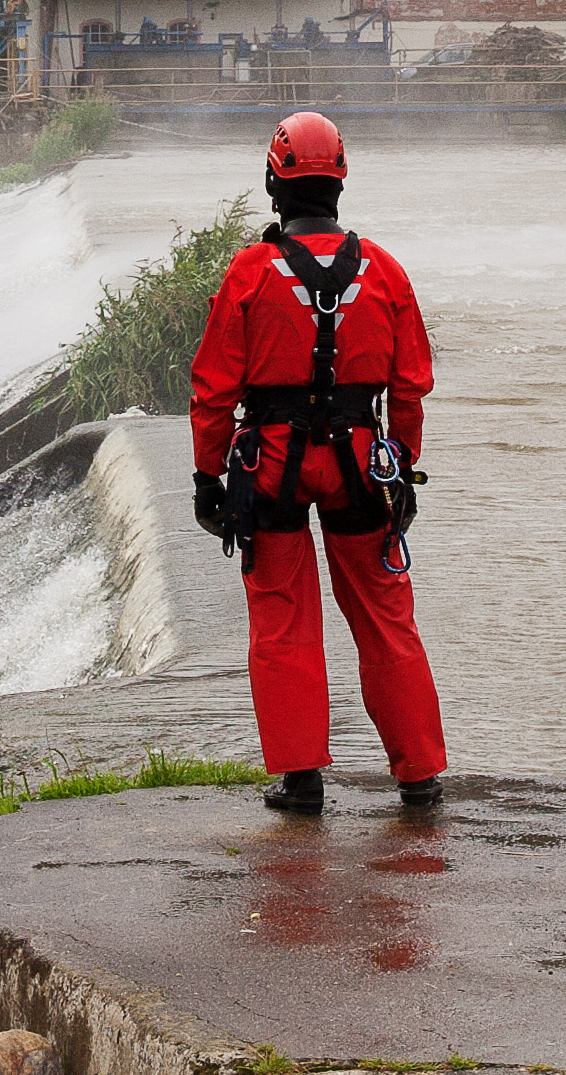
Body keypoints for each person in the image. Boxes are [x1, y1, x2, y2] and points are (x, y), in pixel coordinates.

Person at [188, 109, 447, 817]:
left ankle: (302, 779)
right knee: (386, 617)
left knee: (281, 620)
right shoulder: (384, 270)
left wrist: (207, 476)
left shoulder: (248, 272)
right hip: (364, 463)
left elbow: (212, 389)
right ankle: (418, 774)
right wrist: (405, 470)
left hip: (269, 464)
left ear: (274, 184)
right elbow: (411, 386)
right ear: (339, 180)